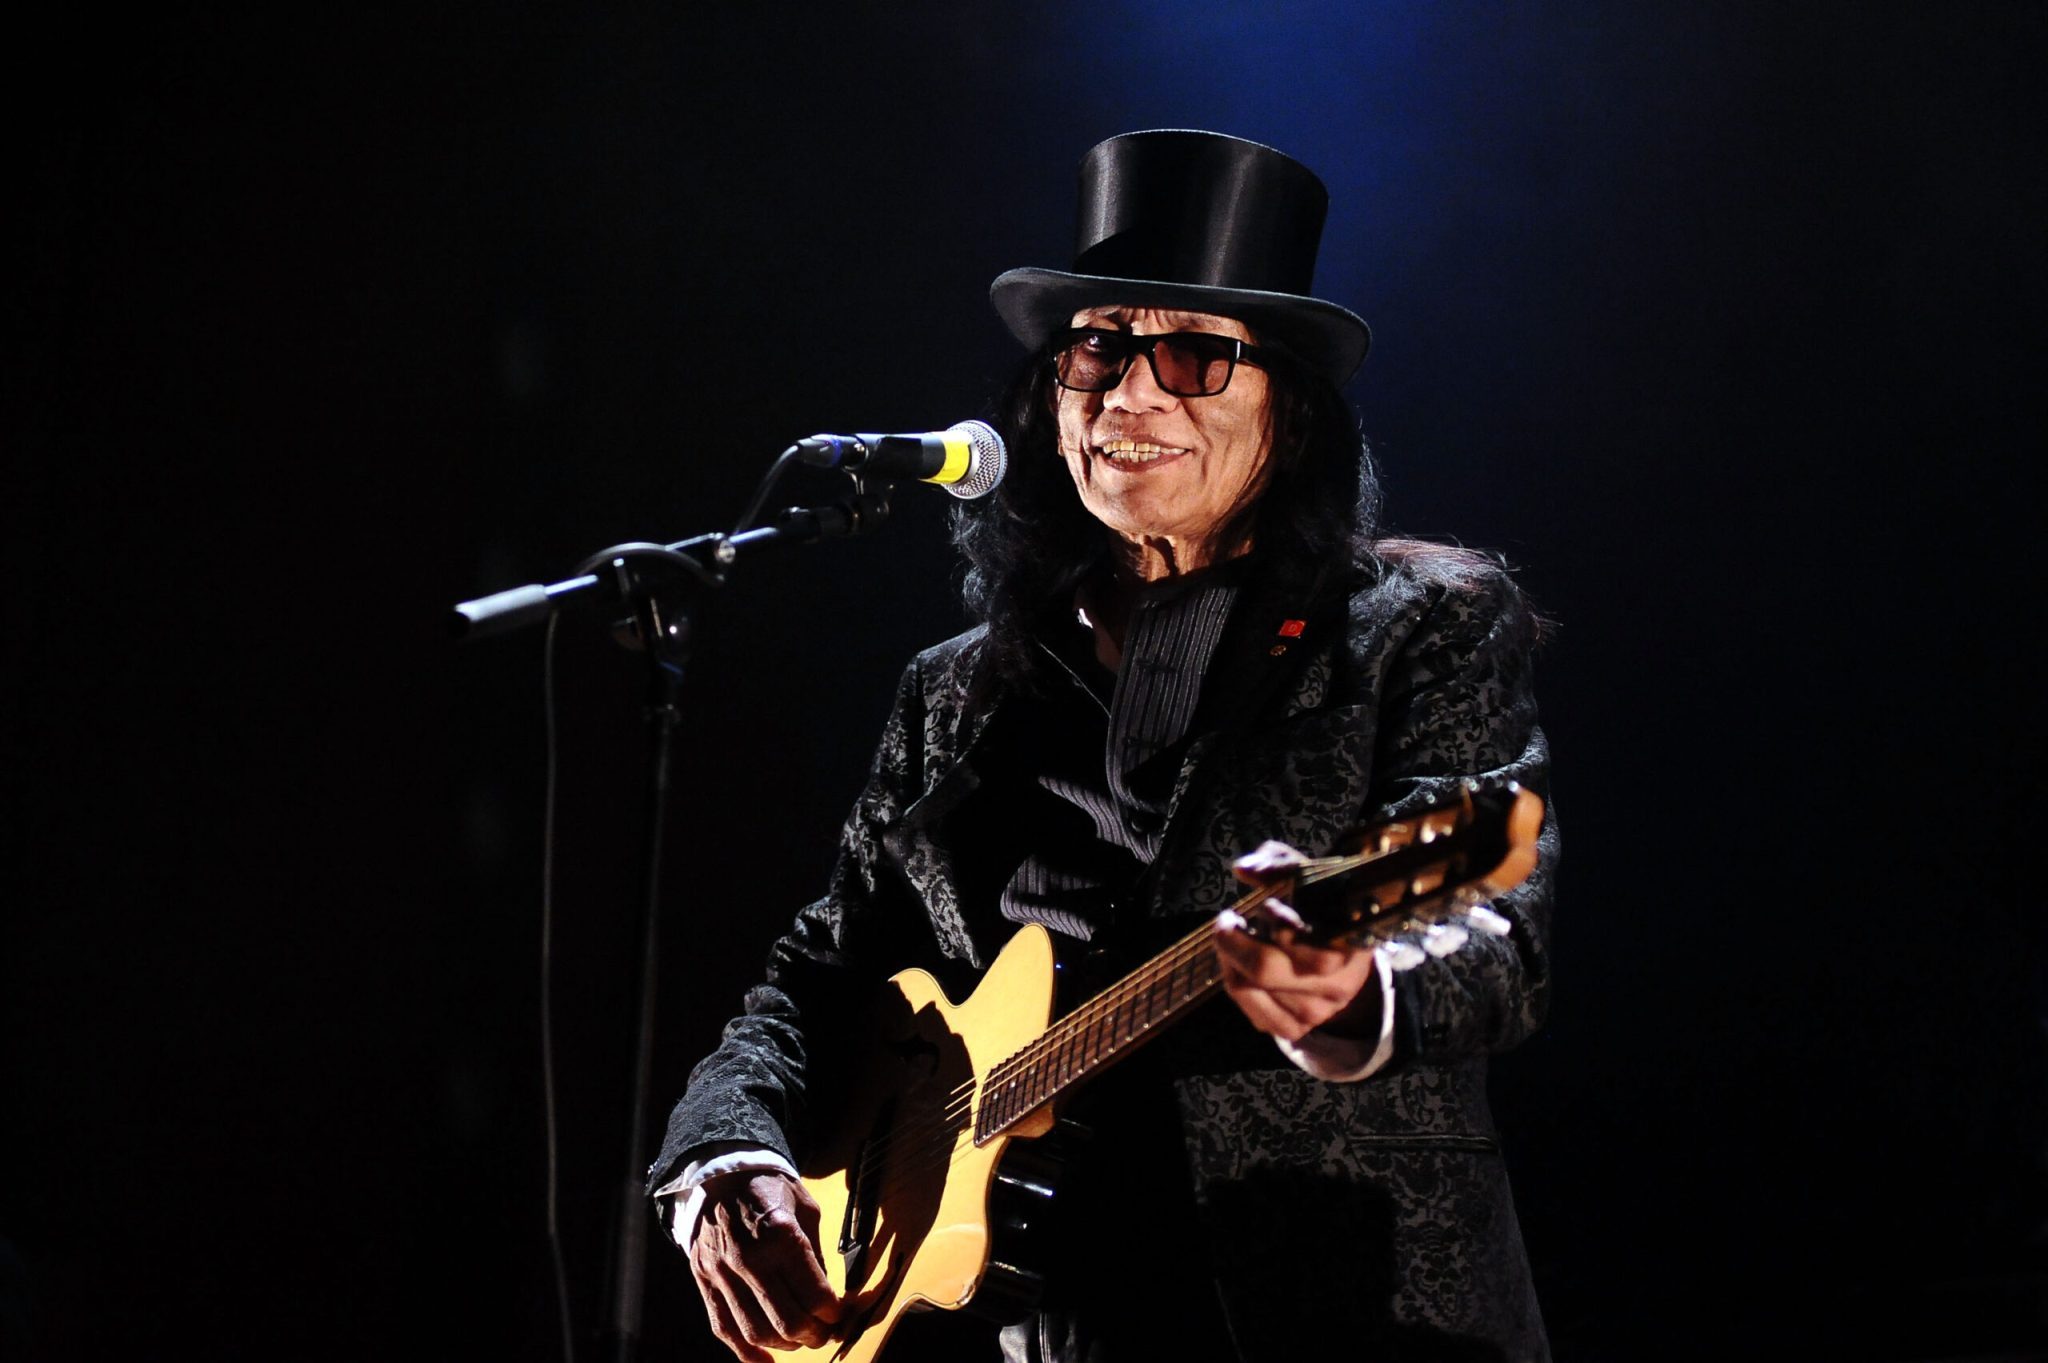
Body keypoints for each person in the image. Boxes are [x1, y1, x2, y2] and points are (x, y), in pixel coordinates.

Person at [649, 129, 1557, 1363]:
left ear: (1285, 411)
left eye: (1194, 357)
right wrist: (720, 1154)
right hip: (1032, 1326)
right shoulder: (954, 691)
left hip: (1337, 1311)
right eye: (1098, 349)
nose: (1132, 395)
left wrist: (1350, 993)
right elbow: (820, 968)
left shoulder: (1420, 629)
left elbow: (1497, 946)